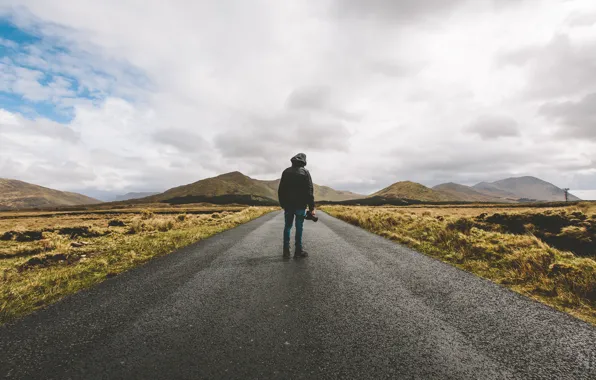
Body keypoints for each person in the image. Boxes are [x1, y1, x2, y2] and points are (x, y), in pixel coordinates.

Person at [278, 153, 315, 259]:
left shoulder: (286, 172)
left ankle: (286, 252)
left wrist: (283, 204)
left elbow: (281, 190)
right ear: (304, 161)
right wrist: (311, 208)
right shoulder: (305, 172)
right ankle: (298, 251)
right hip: (301, 206)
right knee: (299, 227)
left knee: (287, 227)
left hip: (288, 206)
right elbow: (310, 191)